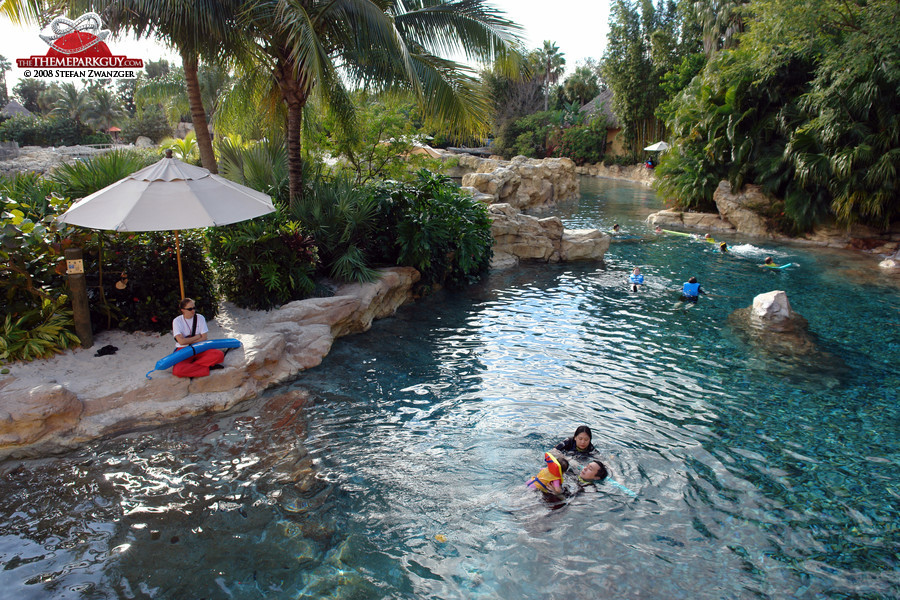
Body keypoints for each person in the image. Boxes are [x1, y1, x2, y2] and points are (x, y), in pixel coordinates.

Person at [172, 297, 225, 378]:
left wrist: (187, 340)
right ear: (182, 310)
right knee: (177, 370)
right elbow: (181, 342)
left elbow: (204, 338)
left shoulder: (200, 318)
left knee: (219, 355)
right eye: (190, 309)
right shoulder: (177, 321)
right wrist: (197, 336)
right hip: (183, 349)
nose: (193, 311)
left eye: (194, 308)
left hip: (199, 347)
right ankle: (206, 368)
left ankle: (193, 367)